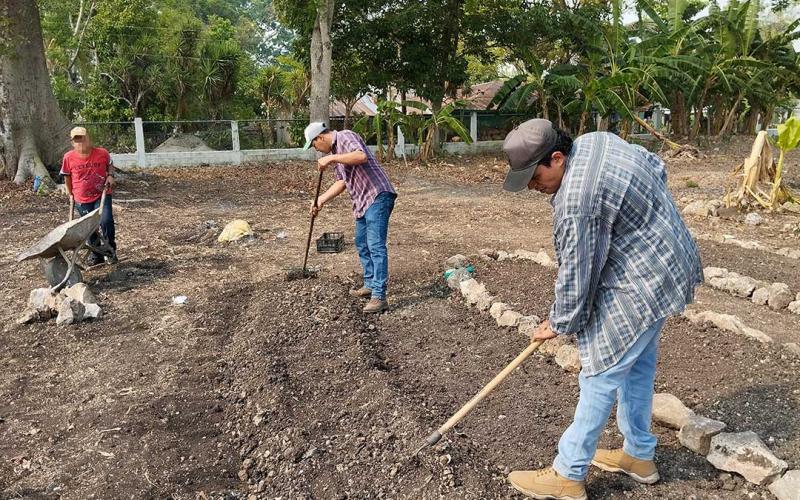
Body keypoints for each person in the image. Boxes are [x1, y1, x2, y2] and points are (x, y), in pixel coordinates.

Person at [501, 119, 702, 500]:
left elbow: (579, 270)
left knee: (600, 374)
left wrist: (558, 322)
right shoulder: (595, 141)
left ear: (557, 158)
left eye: (533, 176)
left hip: (642, 281)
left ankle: (568, 472)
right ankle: (638, 455)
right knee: (637, 367)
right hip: (669, 261)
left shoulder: (577, 199)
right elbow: (657, 167)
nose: (531, 186)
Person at [303, 122, 397, 314]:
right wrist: (320, 200)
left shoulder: (345, 137)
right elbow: (341, 182)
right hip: (363, 202)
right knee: (361, 243)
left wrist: (331, 158)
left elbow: (360, 156)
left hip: (377, 195)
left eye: (314, 145)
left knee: (375, 245)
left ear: (320, 138)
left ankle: (379, 296)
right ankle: (370, 284)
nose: (317, 150)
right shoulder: (337, 153)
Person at [61, 126, 118, 265]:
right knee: (89, 228)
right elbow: (67, 176)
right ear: (72, 142)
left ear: (88, 138)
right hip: (82, 198)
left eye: (82, 138)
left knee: (106, 221)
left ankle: (110, 251)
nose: (80, 142)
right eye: (76, 139)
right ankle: (96, 255)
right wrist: (70, 193)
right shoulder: (68, 157)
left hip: (101, 194)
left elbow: (110, 164)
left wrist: (110, 175)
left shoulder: (102, 153)